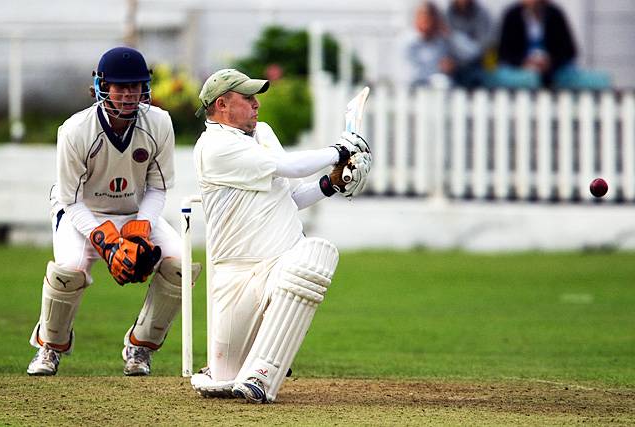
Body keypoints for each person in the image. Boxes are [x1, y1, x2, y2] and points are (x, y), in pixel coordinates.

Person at [189, 69, 372, 403]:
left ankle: (264, 374)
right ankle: (243, 367)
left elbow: (289, 196)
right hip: (235, 272)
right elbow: (292, 166)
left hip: (281, 260)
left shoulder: (263, 133)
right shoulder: (214, 147)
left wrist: (330, 184)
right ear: (222, 105)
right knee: (223, 380)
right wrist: (340, 150)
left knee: (316, 254)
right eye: (247, 99)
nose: (257, 105)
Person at [26, 46, 200, 377]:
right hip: (83, 213)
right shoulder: (76, 130)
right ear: (102, 87)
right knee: (68, 272)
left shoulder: (159, 122)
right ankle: (49, 346)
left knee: (180, 268)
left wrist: (140, 228)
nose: (128, 95)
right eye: (120, 87)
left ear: (145, 87)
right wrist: (105, 240)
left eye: (135, 86)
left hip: (135, 211)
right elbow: (71, 199)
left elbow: (157, 187)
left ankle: (140, 347)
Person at [489, 0, 610, 89]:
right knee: (516, 77)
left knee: (599, 80)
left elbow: (570, 51)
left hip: (553, 71)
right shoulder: (512, 15)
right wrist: (524, 62)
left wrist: (550, 63)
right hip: (520, 71)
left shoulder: (555, 14)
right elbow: (504, 52)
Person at [401, 1, 456, 87]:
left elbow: (471, 53)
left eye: (432, 19)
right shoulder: (408, 42)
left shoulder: (441, 41)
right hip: (413, 85)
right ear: (417, 19)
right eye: (425, 18)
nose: (429, 23)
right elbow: (410, 72)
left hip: (437, 86)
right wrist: (437, 68)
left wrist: (451, 35)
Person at [445, 0, 493, 88]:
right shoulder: (446, 14)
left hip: (478, 67)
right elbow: (444, 45)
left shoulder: (482, 14)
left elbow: (481, 49)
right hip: (453, 69)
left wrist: (454, 36)